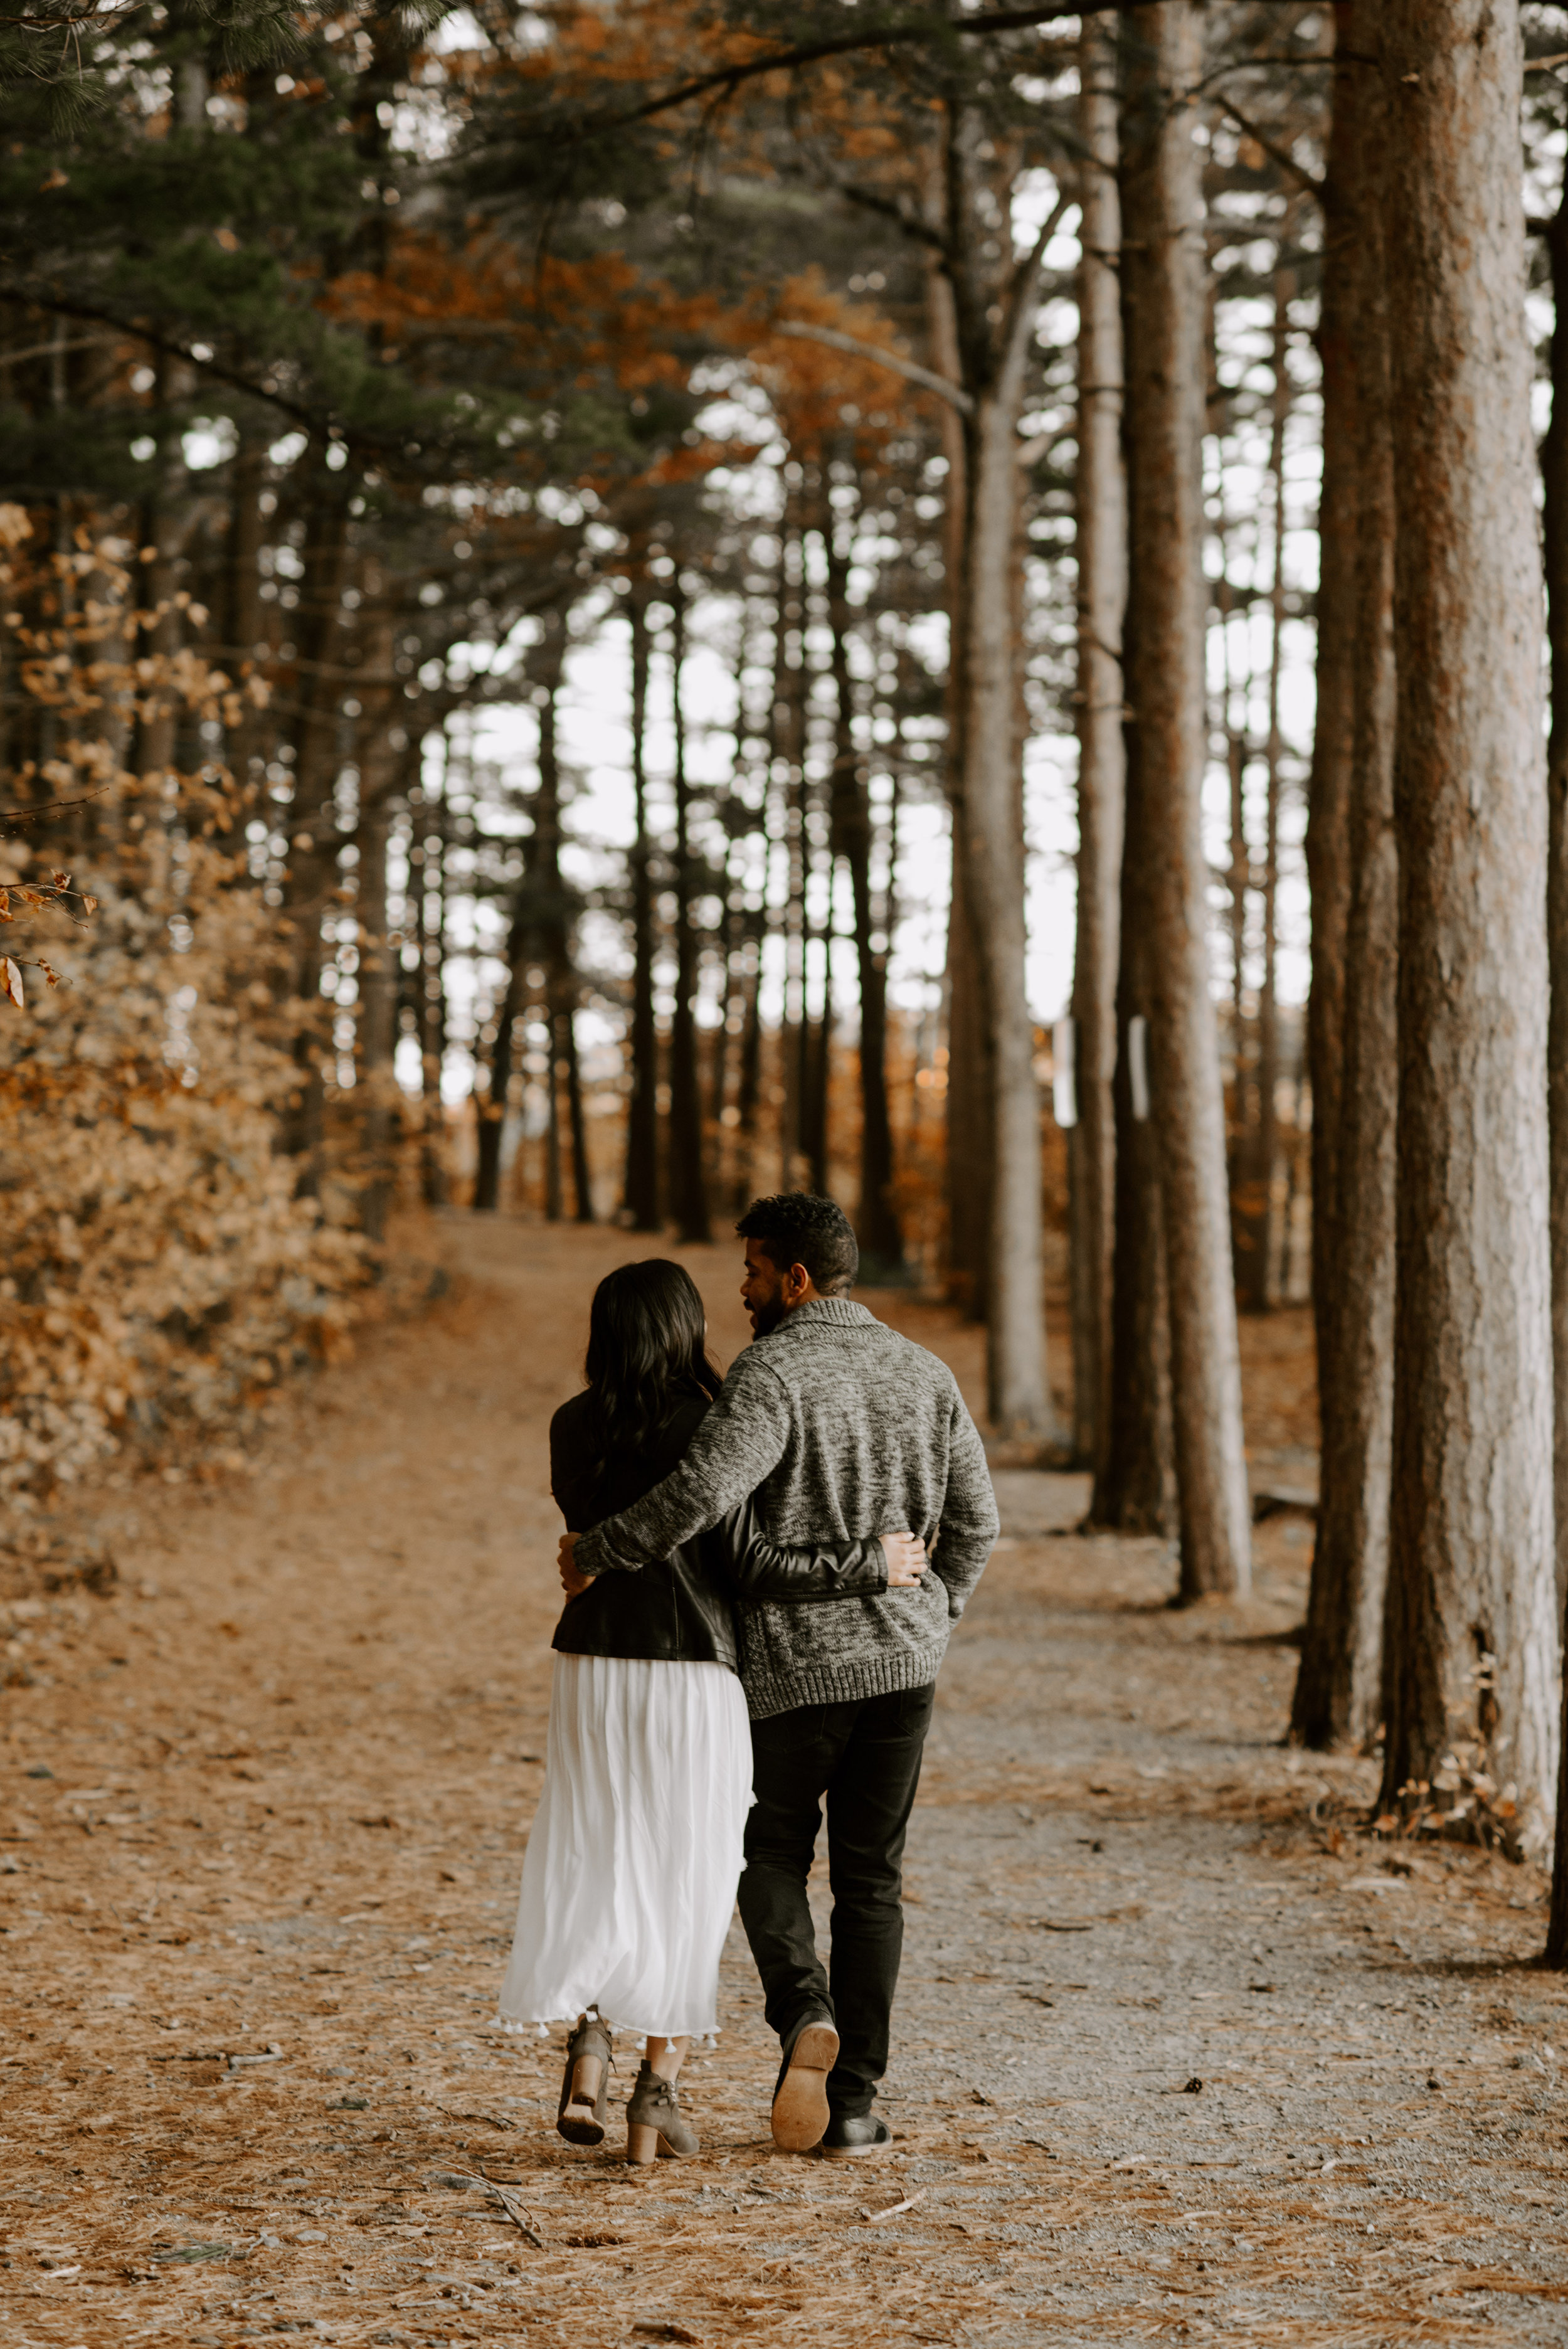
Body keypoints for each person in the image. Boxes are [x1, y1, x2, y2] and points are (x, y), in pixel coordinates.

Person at [561, 1194, 1000, 2159]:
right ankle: (850, 2105)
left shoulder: (771, 1373)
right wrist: (929, 1619)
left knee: (767, 1857)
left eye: (754, 1270)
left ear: (795, 1279)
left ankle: (805, 2005)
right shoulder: (926, 1372)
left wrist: (598, 1546)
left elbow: (697, 1497)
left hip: (797, 1673)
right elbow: (979, 1522)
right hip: (903, 1666)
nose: (744, 1289)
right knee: (873, 1881)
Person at [499, 1257, 929, 2165]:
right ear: (682, 1328)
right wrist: (871, 1566)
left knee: (599, 1848)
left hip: (587, 1664)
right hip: (691, 1670)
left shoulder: (570, 1426)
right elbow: (746, 1564)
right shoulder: (710, 1422)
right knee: (688, 1872)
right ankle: (657, 2093)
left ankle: (588, 2045)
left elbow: (590, 1536)